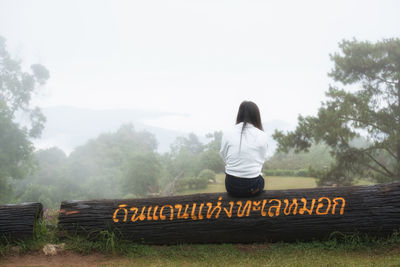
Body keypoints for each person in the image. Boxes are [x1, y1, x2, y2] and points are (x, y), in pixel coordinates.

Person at [219, 101, 268, 197]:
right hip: (253, 187)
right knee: (261, 180)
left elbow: (223, 155)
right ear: (256, 116)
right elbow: (262, 159)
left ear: (239, 114)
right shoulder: (262, 135)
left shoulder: (228, 133)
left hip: (231, 186)